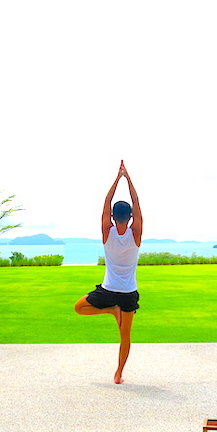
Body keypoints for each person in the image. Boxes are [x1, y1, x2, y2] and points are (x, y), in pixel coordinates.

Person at [74, 160, 142, 384]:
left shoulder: (107, 232)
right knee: (125, 336)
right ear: (131, 218)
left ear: (112, 217)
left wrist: (117, 178)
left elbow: (106, 202)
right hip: (128, 292)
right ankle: (119, 373)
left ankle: (112, 310)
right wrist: (128, 178)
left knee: (79, 308)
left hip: (109, 290)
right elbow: (137, 202)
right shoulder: (136, 234)